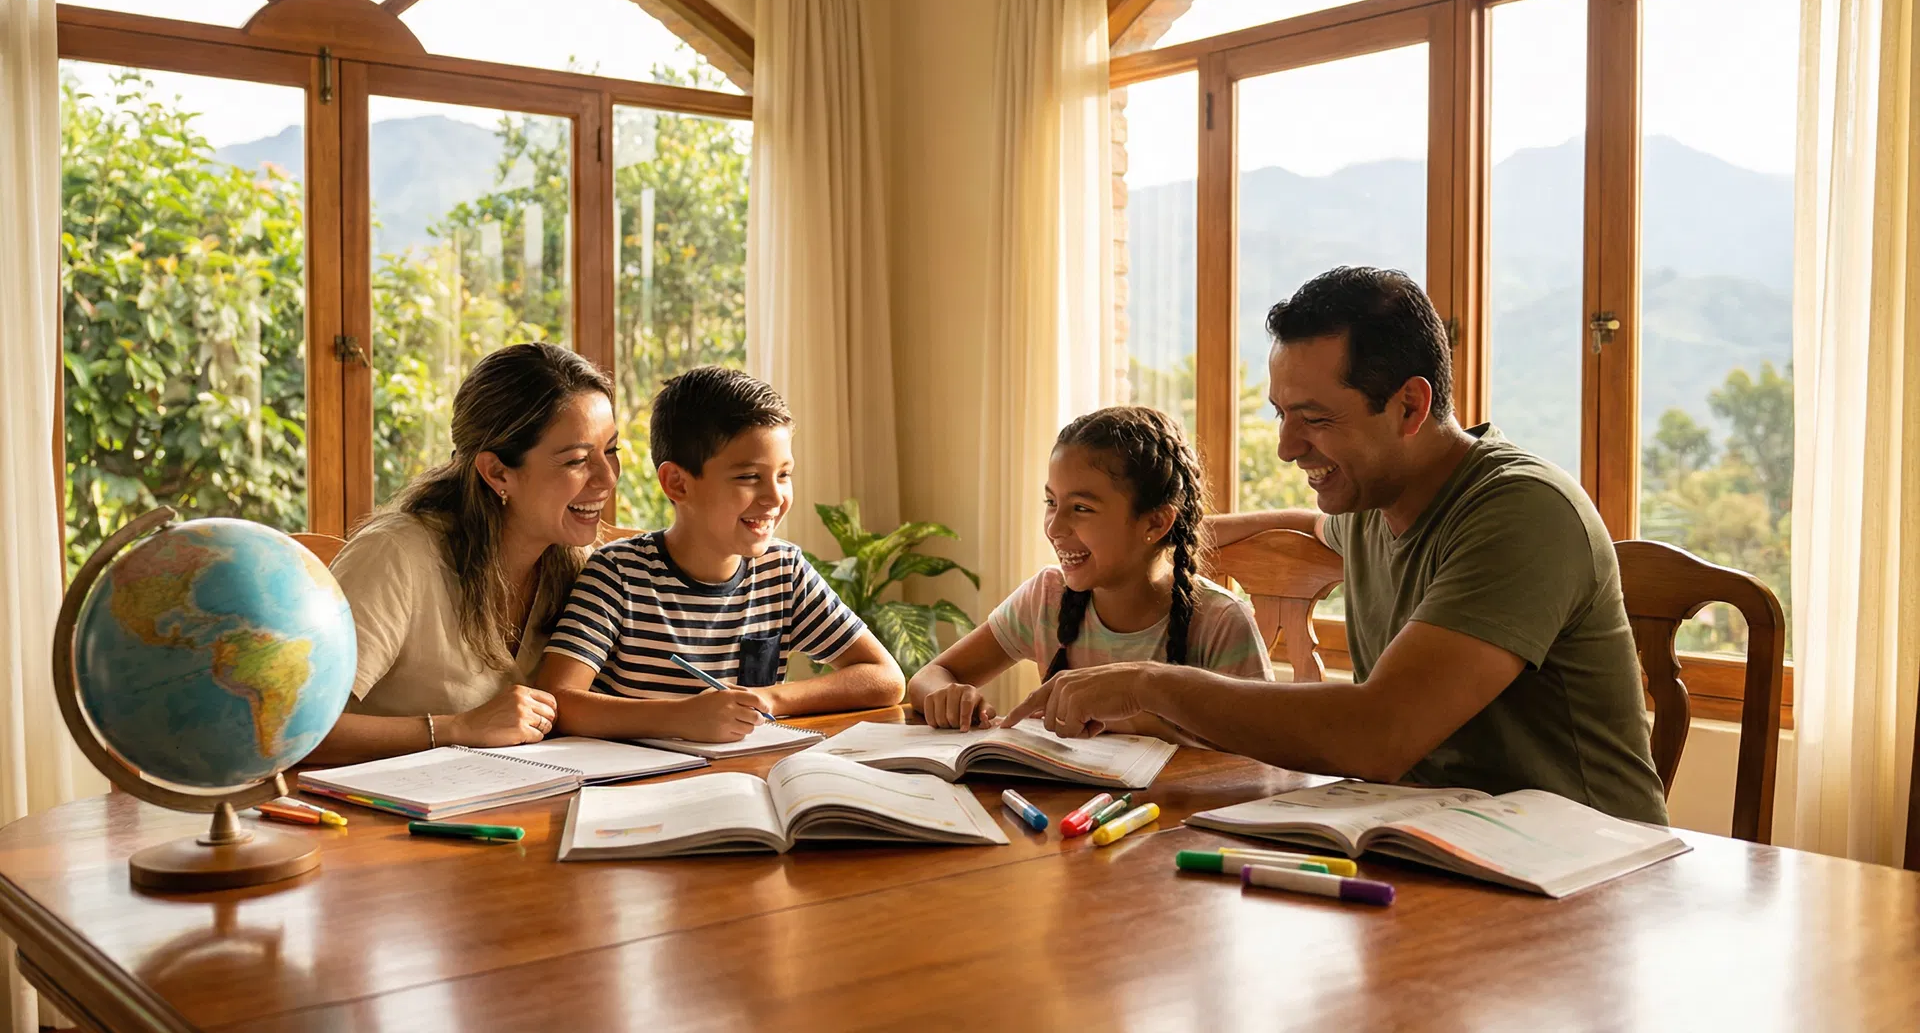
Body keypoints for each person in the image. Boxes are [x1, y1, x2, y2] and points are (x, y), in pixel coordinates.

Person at [1004, 266, 1669, 825]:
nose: (1288, 447)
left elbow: (1376, 735)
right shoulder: (1374, 505)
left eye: (1315, 420)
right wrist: (1188, 539)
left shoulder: (1522, 512)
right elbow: (1311, 521)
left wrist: (1149, 684)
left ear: (1410, 407)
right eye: (1281, 414)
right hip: (1438, 846)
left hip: (1585, 877)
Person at [539, 366, 904, 742]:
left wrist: (769, 698)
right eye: (749, 477)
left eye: (784, 475)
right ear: (677, 483)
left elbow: (884, 677)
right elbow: (557, 701)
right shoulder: (618, 574)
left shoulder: (784, 571)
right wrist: (681, 718)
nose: (774, 498)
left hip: (746, 777)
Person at [307, 342, 616, 764]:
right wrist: (458, 729)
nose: (607, 478)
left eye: (611, 451)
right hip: (375, 821)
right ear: (497, 472)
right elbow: (295, 730)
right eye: (577, 460)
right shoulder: (396, 555)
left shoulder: (581, 565)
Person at [908, 406, 1270, 735]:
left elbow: (1262, 745)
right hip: (1067, 806)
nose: (1054, 527)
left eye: (1081, 508)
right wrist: (948, 696)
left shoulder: (1221, 622)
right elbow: (930, 677)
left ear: (1156, 523)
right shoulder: (1046, 598)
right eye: (1051, 502)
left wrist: (1133, 718)